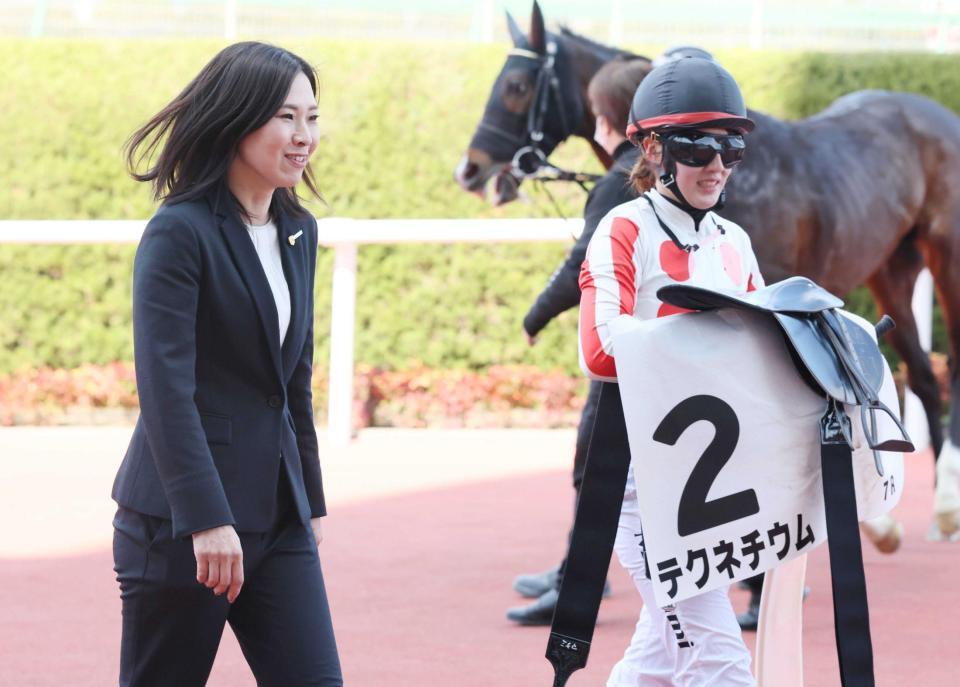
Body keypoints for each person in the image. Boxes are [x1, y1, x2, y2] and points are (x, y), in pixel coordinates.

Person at [112, 42, 342, 686]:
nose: (304, 137)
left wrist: (311, 502)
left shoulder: (300, 230)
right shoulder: (179, 232)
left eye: (312, 118)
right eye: (286, 118)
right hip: (183, 527)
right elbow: (165, 392)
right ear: (238, 119)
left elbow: (292, 381)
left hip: (279, 518)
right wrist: (206, 520)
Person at [579, 57, 763, 684]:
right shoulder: (623, 228)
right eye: (698, 146)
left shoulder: (734, 241)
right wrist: (713, 335)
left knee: (655, 660)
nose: (718, 164)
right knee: (719, 660)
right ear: (654, 149)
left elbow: (764, 351)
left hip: (720, 489)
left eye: (731, 145)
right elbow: (600, 352)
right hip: (645, 490)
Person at [506, 56, 649, 625]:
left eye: (597, 116)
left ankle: (577, 586)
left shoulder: (622, 181)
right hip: (661, 353)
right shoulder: (660, 172)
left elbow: (579, 267)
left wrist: (535, 315)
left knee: (597, 467)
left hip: (623, 359)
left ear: (613, 120)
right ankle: (762, 584)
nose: (593, 128)